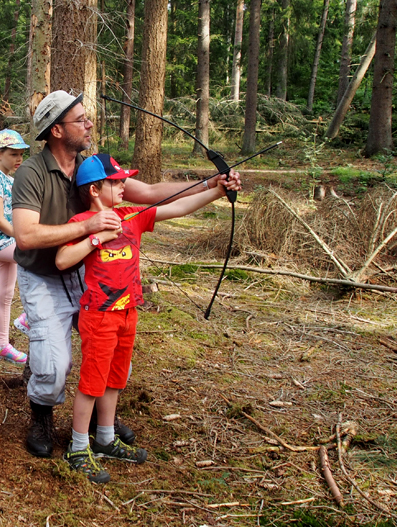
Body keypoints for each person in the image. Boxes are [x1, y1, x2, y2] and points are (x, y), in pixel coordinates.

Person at [12, 91, 241, 458]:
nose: (89, 124)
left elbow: (150, 194)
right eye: (80, 120)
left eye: (87, 118)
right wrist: (91, 228)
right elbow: (25, 235)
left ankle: (102, 422)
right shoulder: (31, 172)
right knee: (54, 365)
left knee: (113, 354)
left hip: (89, 271)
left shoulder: (91, 167)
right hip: (45, 273)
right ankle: (42, 412)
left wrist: (211, 185)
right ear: (56, 130)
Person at [56, 154, 241, 482]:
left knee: (115, 379)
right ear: (95, 190)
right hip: (99, 316)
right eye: (117, 182)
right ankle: (78, 446)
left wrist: (217, 191)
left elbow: (179, 208)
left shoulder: (132, 215)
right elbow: (62, 259)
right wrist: (96, 237)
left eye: (124, 180)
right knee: (92, 383)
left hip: (128, 313)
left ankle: (105, 439)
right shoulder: (83, 222)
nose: (124, 185)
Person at [0, 129, 29, 365]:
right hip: (2, 242)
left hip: (9, 241)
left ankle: (1, 345)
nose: (18, 159)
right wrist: (23, 237)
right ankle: (28, 318)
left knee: (5, 295)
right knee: (37, 259)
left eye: (21, 154)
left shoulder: (10, 179)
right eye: (13, 154)